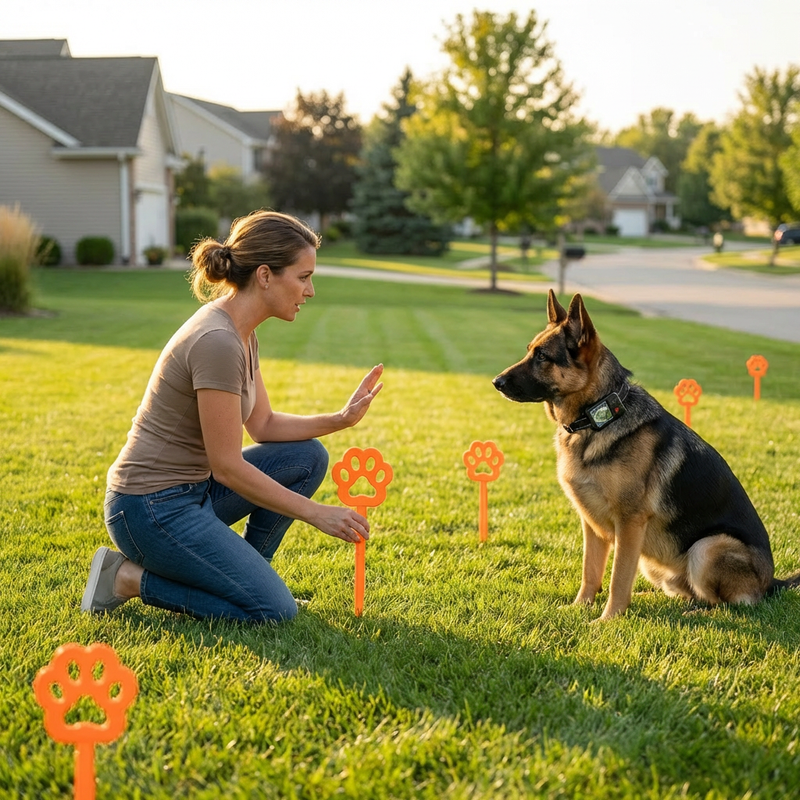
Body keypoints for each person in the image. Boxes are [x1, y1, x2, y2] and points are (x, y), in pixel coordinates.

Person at [80, 210, 383, 623]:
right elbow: (226, 466)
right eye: (303, 277)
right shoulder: (218, 342)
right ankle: (126, 579)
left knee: (307, 456)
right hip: (148, 510)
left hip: (193, 494)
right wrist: (316, 512)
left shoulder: (242, 332)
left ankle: (249, 575)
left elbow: (264, 426)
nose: (310, 291)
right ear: (265, 275)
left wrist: (340, 419)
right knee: (273, 611)